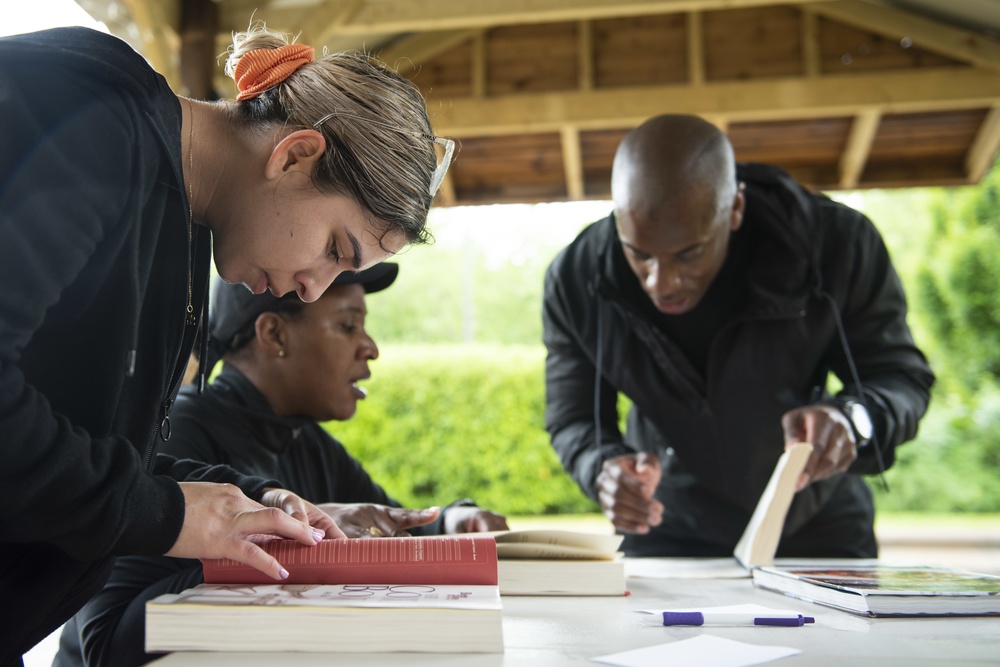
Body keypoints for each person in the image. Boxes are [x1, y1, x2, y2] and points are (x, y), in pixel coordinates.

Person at [0, 22, 447, 664]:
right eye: (334, 250)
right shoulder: (94, 112)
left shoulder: (175, 228)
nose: (314, 291)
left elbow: (90, 452)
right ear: (294, 155)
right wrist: (172, 516)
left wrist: (249, 506)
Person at [54, 264, 508, 666]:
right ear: (273, 335)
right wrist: (300, 549)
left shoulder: (306, 439)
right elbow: (107, 642)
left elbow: (384, 525)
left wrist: (452, 518)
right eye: (349, 326)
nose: (371, 348)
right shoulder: (181, 433)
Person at [542, 114, 935, 558]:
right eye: (639, 254)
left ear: (735, 210)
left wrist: (852, 420)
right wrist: (602, 470)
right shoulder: (575, 281)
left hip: (820, 528)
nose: (660, 282)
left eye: (688, 254)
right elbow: (573, 418)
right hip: (668, 530)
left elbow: (901, 377)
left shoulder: (838, 246)